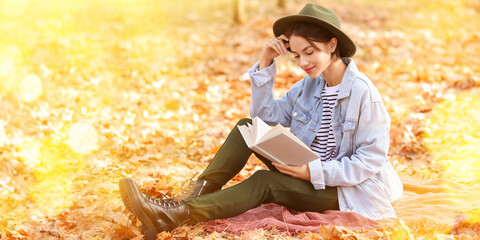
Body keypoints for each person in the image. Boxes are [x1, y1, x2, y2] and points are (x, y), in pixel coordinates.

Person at [119, 3, 403, 239]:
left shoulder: (364, 95)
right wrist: (266, 61)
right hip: (306, 169)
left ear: (332, 45)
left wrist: (310, 173)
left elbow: (369, 162)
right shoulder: (309, 85)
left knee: (265, 182)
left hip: (347, 190)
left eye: (310, 52)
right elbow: (264, 119)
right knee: (246, 128)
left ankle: (175, 215)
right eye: (296, 55)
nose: (303, 62)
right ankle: (189, 198)